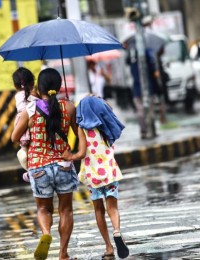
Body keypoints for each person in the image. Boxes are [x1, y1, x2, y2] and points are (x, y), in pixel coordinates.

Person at [11, 68, 78, 260]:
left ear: (38, 88)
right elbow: (78, 132)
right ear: (59, 86)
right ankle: (63, 254)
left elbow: (14, 137)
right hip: (63, 164)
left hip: (39, 166)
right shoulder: (69, 107)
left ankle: (46, 234)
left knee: (43, 209)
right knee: (65, 210)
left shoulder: (29, 110)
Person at [62, 96, 129, 259]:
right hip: (109, 172)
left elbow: (82, 153)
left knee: (99, 210)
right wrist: (99, 101)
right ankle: (117, 230)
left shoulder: (82, 129)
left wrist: (70, 156)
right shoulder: (106, 126)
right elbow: (108, 108)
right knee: (112, 207)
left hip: (93, 176)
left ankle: (108, 247)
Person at [12, 67, 40, 182]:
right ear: (33, 83)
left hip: (21, 122)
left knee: (24, 149)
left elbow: (14, 138)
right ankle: (30, 171)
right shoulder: (35, 96)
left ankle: (29, 171)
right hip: (30, 120)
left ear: (15, 86)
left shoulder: (18, 96)